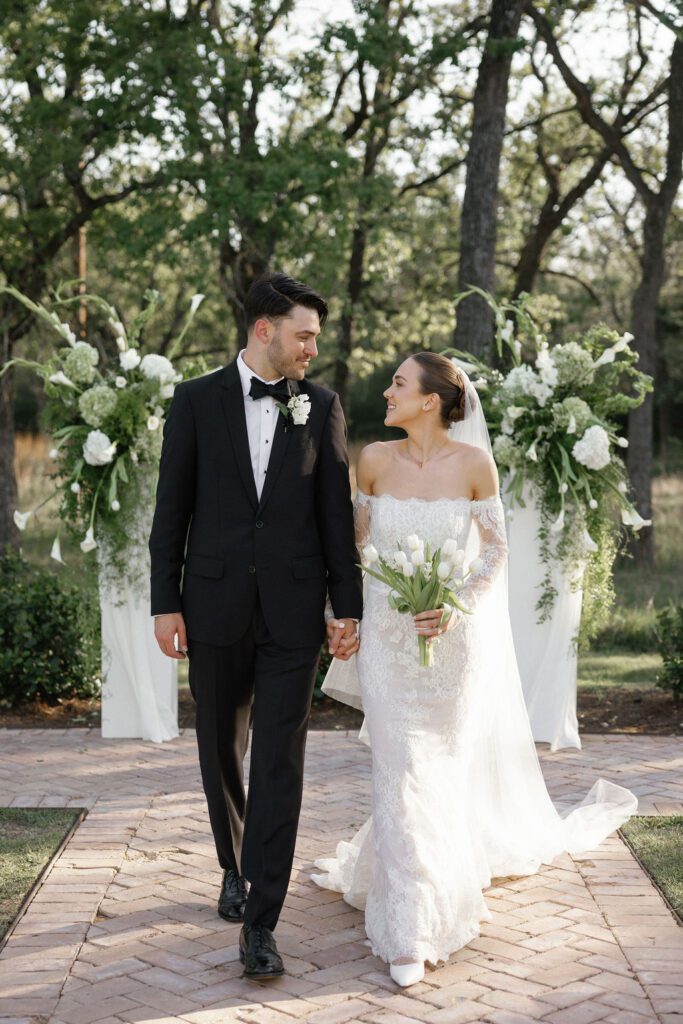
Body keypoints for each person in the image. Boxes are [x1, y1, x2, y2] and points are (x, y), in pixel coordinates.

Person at [312, 351, 637, 988]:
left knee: (439, 770)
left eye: (399, 384)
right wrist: (339, 613)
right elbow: (349, 548)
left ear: (431, 400)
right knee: (399, 764)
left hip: (450, 646)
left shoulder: (475, 465)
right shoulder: (373, 460)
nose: (387, 391)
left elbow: (494, 553)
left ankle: (433, 883)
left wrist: (455, 607)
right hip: (387, 638)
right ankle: (410, 926)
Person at [149, 272, 363, 979]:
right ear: (263, 330)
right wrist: (164, 601)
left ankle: (260, 923)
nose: (311, 348)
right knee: (219, 745)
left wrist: (347, 606)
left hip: (293, 615)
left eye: (315, 338)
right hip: (210, 605)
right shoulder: (194, 401)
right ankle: (231, 866)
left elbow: (336, 517)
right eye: (302, 334)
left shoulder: (321, 404)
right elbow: (169, 512)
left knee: (278, 761)